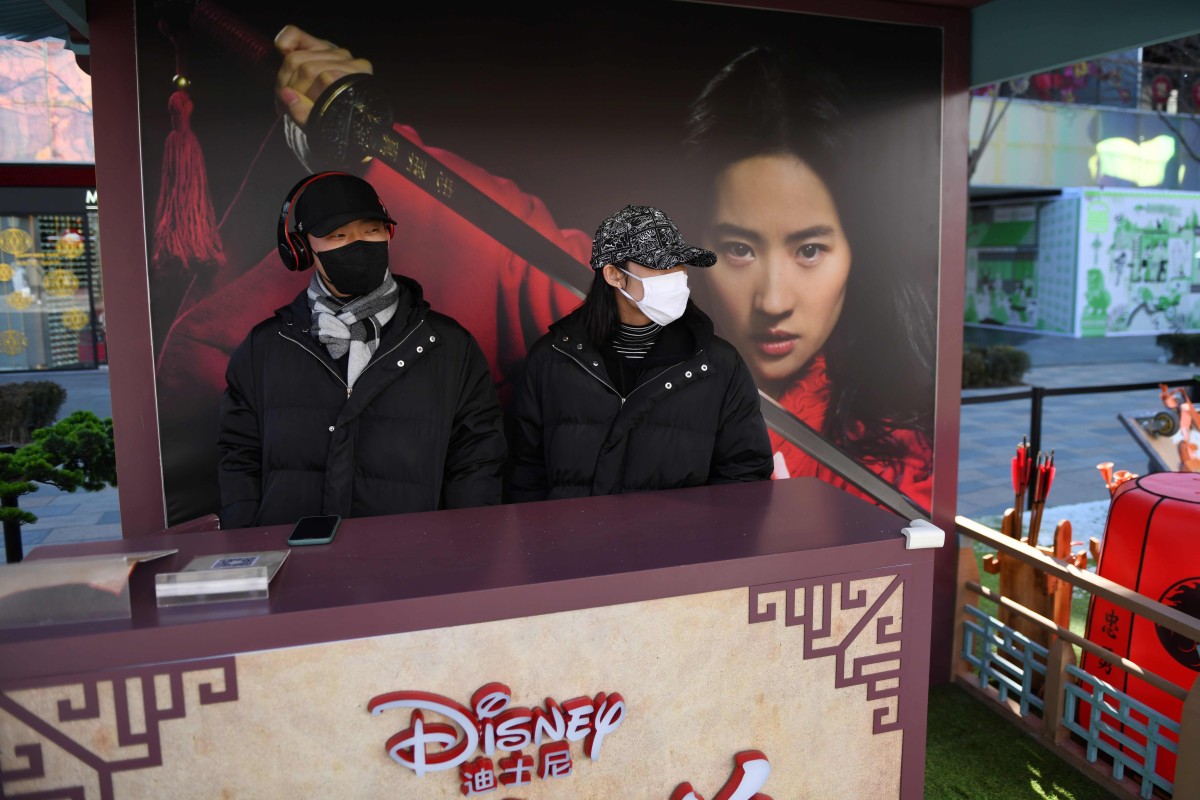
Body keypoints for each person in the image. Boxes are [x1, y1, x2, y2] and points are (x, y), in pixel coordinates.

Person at [681, 46, 935, 511]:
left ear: (857, 250)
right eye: (739, 249)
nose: (774, 301)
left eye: (810, 250)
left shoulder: (898, 454)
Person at [216, 171, 507, 528]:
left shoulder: (451, 346)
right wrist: (251, 542)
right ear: (302, 249)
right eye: (338, 235)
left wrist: (462, 546)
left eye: (371, 230)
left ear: (388, 234)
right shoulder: (264, 349)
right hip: (293, 559)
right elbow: (239, 460)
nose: (358, 244)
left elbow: (476, 462)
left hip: (414, 559)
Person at [509, 204, 773, 501]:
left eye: (679, 263)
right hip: (572, 532)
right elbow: (525, 473)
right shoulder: (552, 358)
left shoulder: (719, 365)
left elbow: (745, 474)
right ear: (614, 275)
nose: (676, 276)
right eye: (660, 265)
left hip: (680, 534)